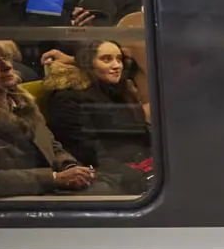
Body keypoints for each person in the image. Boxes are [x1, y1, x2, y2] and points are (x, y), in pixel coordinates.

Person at [41, 40, 152, 194]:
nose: (116, 65)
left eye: (119, 59)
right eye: (106, 59)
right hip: (106, 171)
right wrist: (133, 174)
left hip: (136, 160)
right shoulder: (68, 96)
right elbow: (86, 150)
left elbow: (140, 132)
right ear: (88, 64)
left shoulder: (120, 90)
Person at [0, 43, 98, 197]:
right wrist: (54, 178)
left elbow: (52, 145)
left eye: (5, 58)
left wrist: (70, 166)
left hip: (47, 191)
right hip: (15, 202)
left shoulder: (23, 103)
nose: (6, 66)